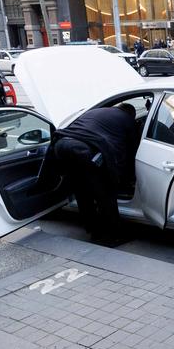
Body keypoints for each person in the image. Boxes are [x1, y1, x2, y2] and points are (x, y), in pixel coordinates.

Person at [51, 104, 138, 246]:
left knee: (82, 191)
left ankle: (94, 231)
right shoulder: (127, 119)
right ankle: (114, 236)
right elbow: (133, 149)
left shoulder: (98, 110)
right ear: (131, 114)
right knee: (105, 192)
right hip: (83, 150)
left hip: (61, 145)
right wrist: (125, 176)